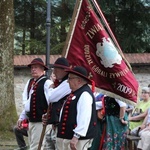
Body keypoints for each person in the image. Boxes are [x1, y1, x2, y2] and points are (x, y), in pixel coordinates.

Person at [55, 66, 97, 150]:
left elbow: (84, 117)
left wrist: (76, 136)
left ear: (79, 81)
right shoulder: (75, 93)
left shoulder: (85, 94)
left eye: (70, 78)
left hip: (78, 140)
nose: (67, 81)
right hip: (66, 136)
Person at [16, 58, 53, 150]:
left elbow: (51, 102)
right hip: (32, 121)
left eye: (36, 67)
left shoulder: (47, 83)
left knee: (36, 147)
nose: (33, 69)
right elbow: (28, 103)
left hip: (41, 122)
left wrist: (48, 117)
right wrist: (22, 117)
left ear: (42, 69)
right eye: (32, 67)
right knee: (34, 145)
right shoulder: (31, 83)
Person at [43, 57, 71, 150]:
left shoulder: (67, 83)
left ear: (64, 70)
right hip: (57, 123)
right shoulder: (61, 83)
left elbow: (51, 98)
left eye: (56, 69)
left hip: (64, 124)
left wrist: (50, 88)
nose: (54, 72)